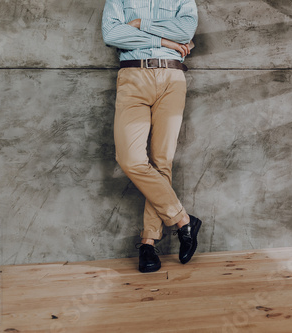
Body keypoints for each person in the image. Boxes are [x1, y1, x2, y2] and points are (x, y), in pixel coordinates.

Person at [101, 0, 202, 273]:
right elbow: (111, 35)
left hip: (172, 77)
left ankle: (148, 242)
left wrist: (139, 25)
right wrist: (166, 42)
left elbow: (185, 32)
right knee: (130, 159)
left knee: (162, 161)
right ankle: (183, 220)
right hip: (133, 75)